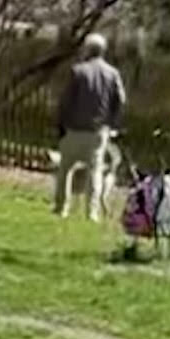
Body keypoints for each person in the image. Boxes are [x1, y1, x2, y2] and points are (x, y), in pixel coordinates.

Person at [53, 29, 126, 218]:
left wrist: (61, 124)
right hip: (98, 130)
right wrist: (111, 122)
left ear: (87, 49)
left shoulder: (78, 71)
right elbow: (120, 100)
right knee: (95, 171)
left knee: (65, 169)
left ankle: (62, 208)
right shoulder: (112, 74)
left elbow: (66, 101)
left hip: (75, 128)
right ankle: (91, 212)